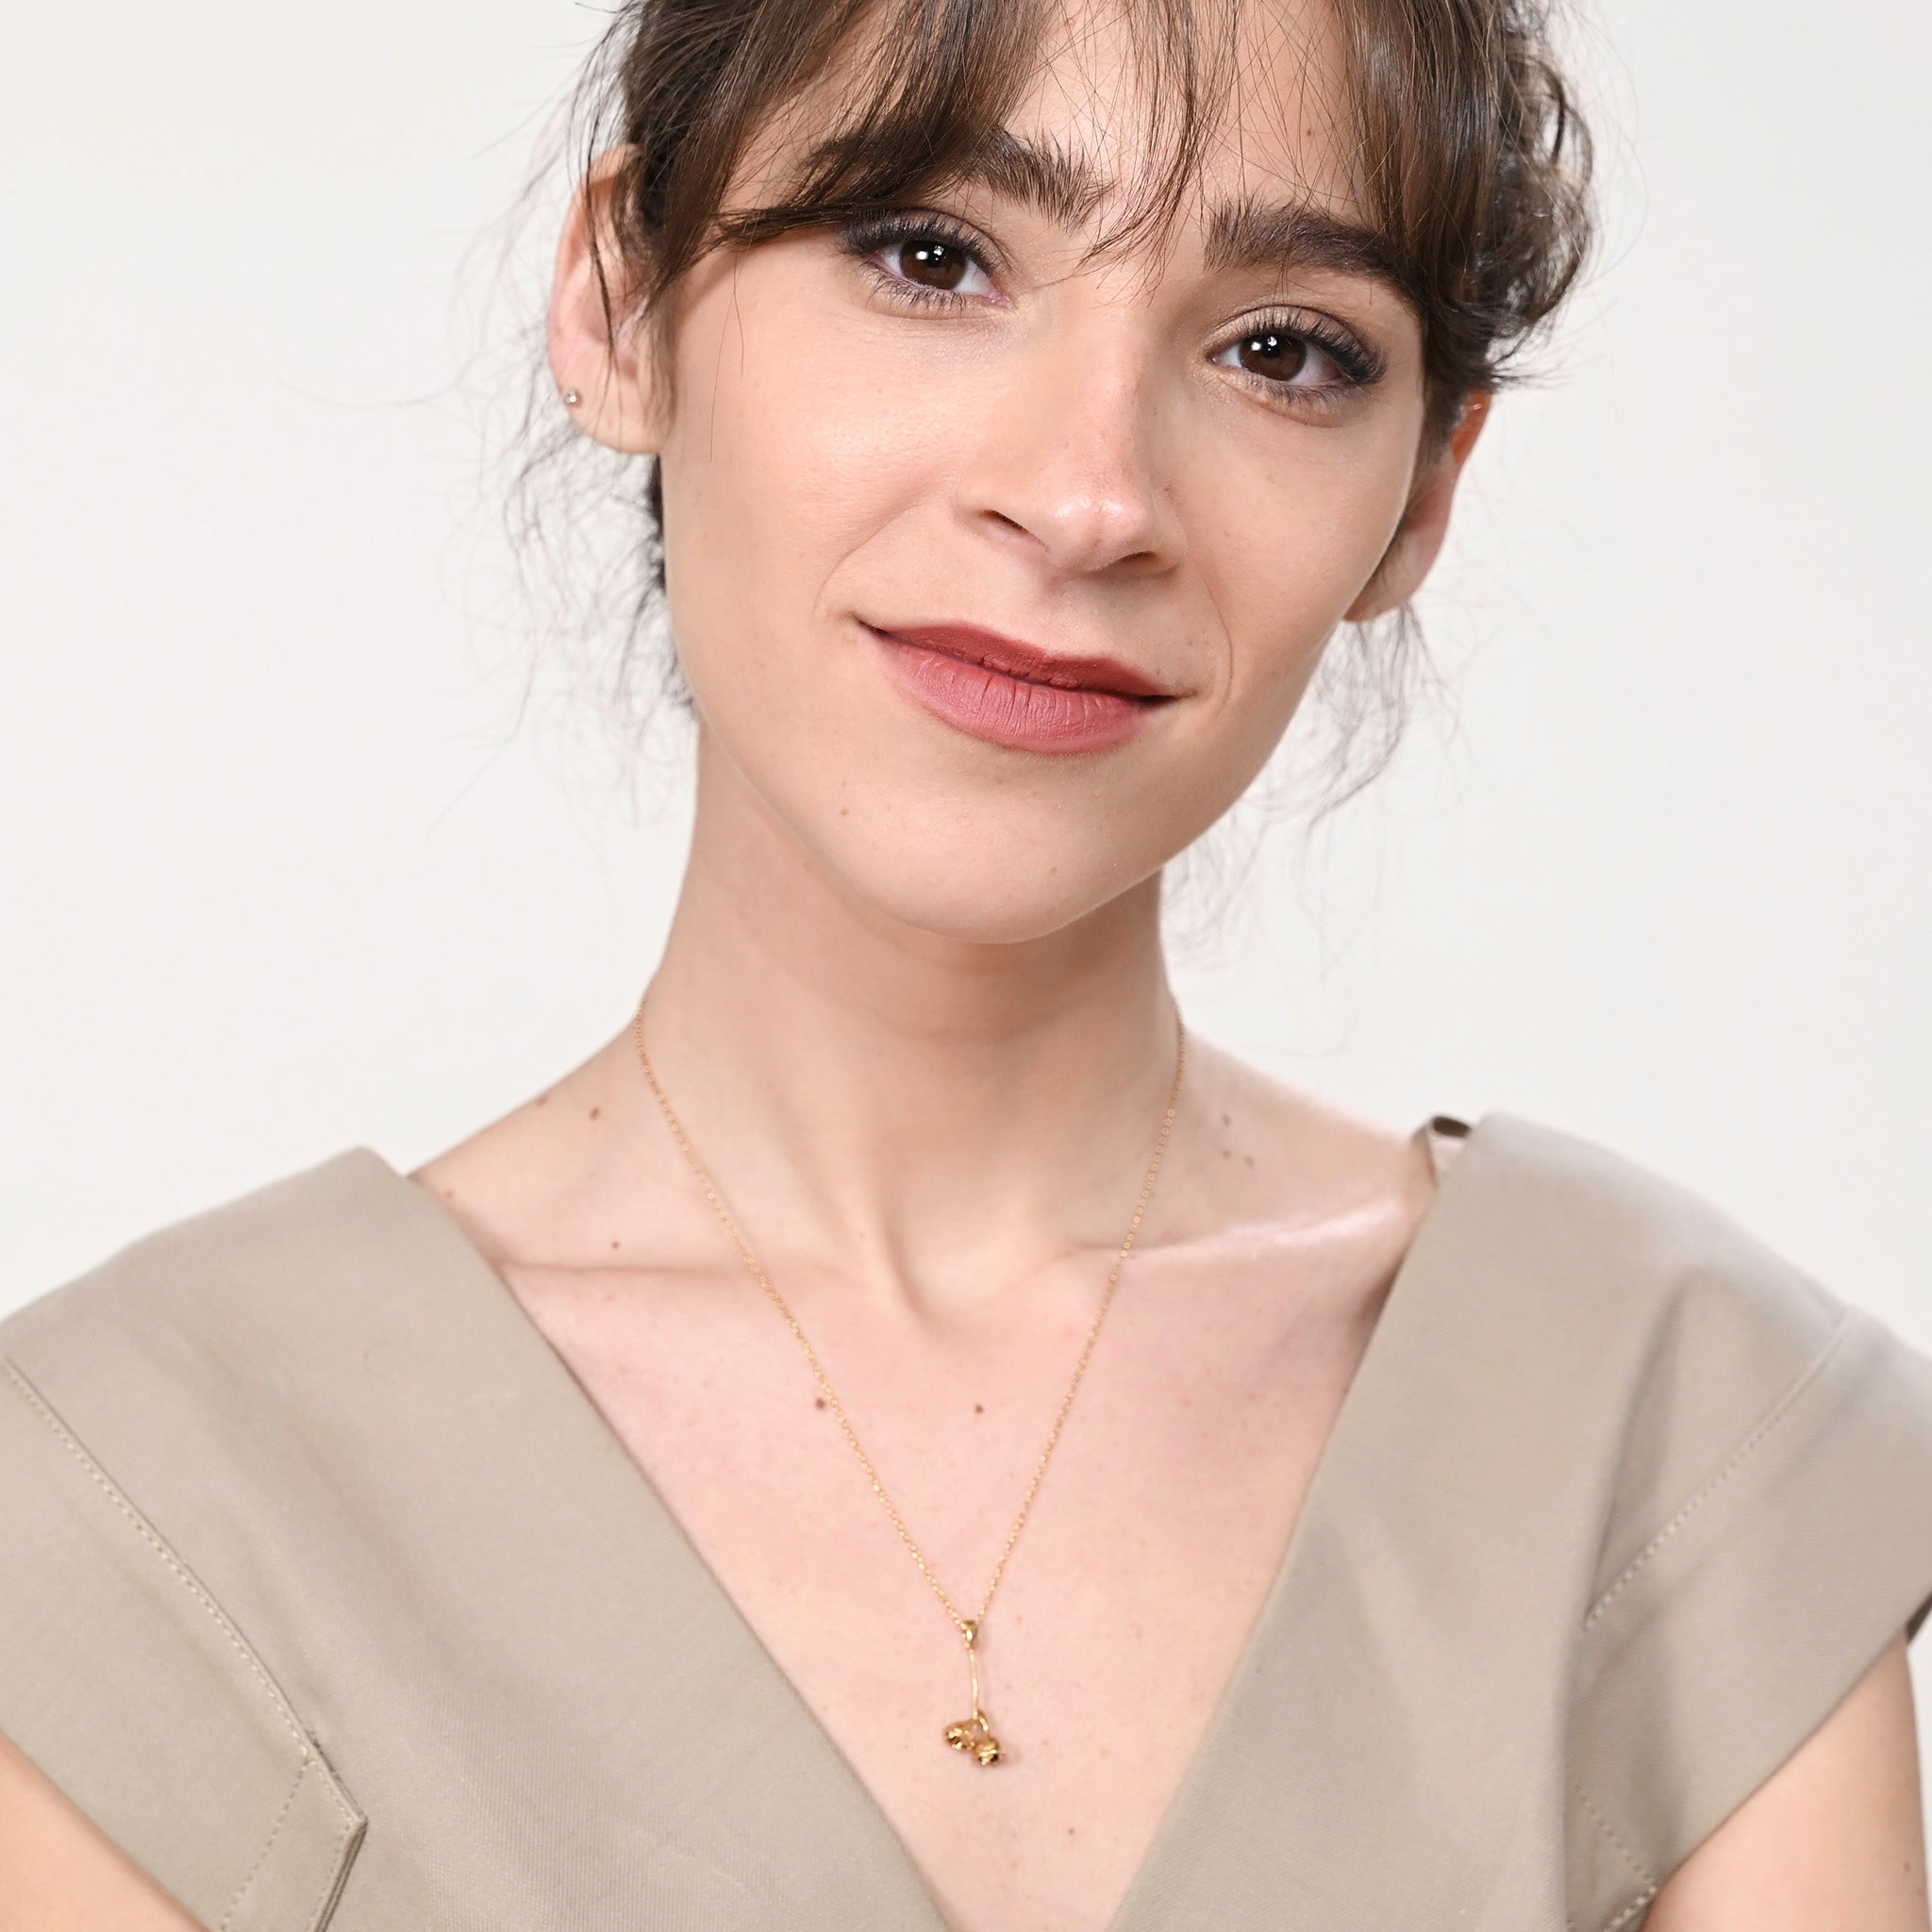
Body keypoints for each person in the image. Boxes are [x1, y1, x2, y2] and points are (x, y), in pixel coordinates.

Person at [4, 0, 1931, 1926]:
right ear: (619, 300)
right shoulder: (136, 1510)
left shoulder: (1670, 1432)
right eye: (931, 257)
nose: (1088, 495)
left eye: (1282, 350)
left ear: (1420, 491)